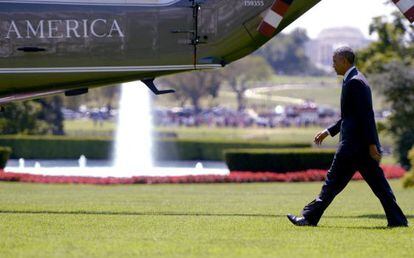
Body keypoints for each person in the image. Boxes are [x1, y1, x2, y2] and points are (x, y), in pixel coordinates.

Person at [287, 46, 408, 227]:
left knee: (333, 182)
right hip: (358, 147)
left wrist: (372, 144)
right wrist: (328, 131)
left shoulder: (355, 82)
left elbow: (366, 115)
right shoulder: (354, 79)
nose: (332, 65)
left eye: (335, 61)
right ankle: (398, 221)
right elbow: (349, 116)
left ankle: (309, 218)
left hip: (353, 146)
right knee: (378, 186)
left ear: (345, 61)